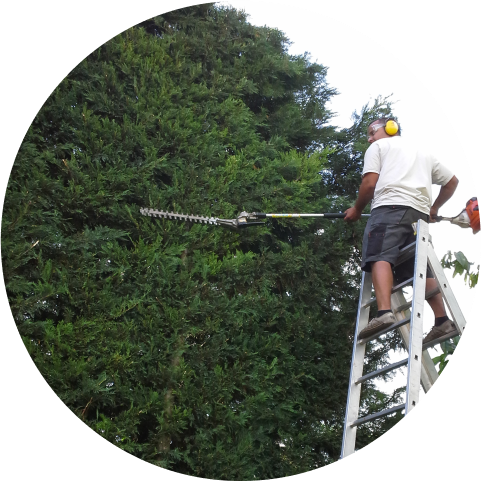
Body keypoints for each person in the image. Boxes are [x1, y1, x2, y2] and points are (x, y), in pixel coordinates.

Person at [344, 117, 459, 344]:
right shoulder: (422, 153)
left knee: (379, 254)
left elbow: (369, 184)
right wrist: (434, 208)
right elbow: (452, 182)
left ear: (390, 128)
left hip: (390, 208)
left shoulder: (379, 147)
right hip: (419, 217)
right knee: (418, 269)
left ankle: (383, 312)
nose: (369, 138)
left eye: (371, 132)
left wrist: (357, 210)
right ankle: (442, 320)